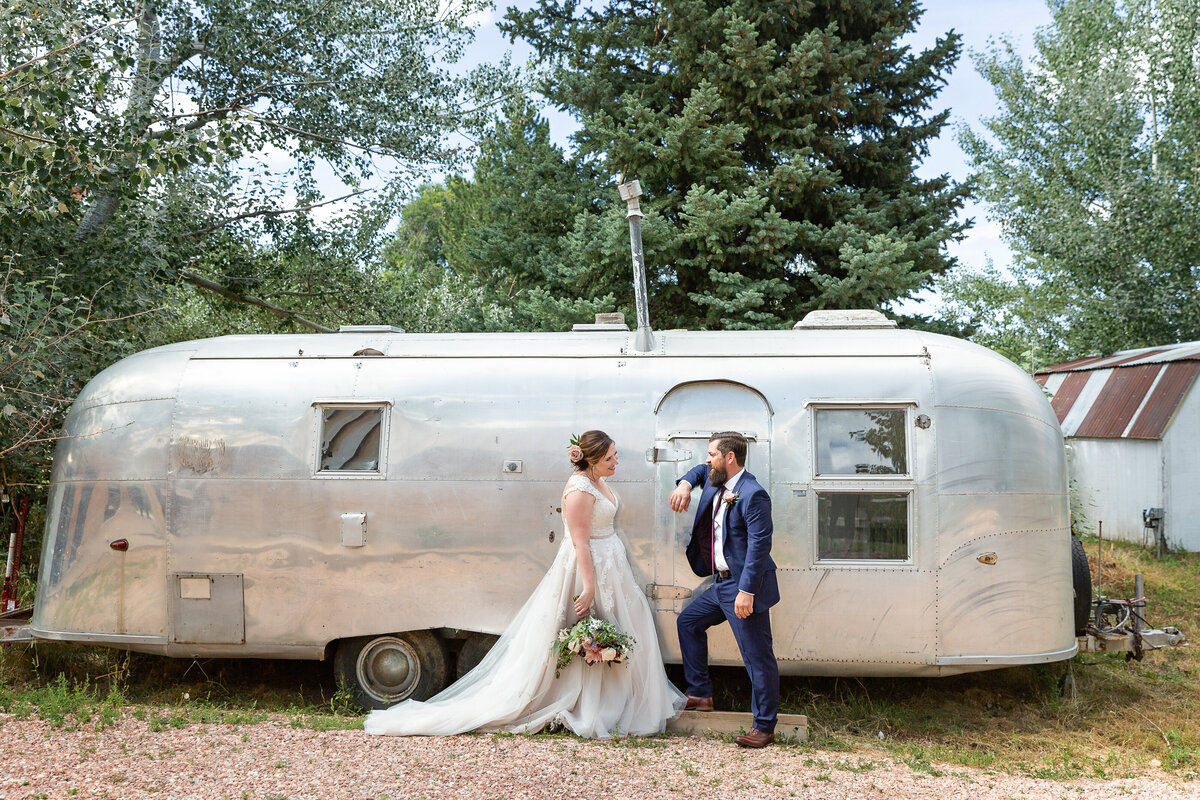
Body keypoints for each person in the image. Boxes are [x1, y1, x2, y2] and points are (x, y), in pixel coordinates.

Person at [364, 429, 684, 738]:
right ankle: (580, 701)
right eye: (611, 458)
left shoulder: (597, 481)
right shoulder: (579, 490)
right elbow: (580, 542)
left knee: (624, 626)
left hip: (612, 568)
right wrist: (587, 587)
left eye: (615, 456)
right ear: (593, 460)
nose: (617, 462)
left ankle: (616, 701)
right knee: (587, 630)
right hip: (588, 569)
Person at [668, 431, 780, 748]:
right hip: (721, 584)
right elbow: (698, 472)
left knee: (757, 658)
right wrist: (685, 484)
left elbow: (759, 546)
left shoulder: (752, 493)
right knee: (688, 622)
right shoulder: (718, 479)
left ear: (729, 457)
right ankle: (700, 694)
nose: (707, 460)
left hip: (743, 586)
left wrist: (747, 591)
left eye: (712, 454)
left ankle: (764, 727)